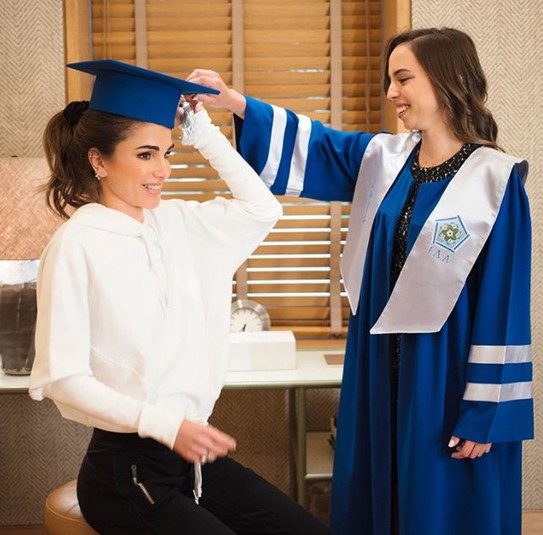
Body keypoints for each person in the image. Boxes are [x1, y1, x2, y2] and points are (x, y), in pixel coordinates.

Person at [187, 27, 534, 535]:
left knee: (441, 502)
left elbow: (503, 306)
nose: (392, 92)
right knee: (379, 493)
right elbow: (317, 146)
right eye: (389, 80)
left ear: (450, 79)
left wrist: (486, 411)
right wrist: (232, 102)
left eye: (403, 78)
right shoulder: (385, 160)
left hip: (445, 376)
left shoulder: (494, 180)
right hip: (377, 368)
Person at [29, 59, 331, 535]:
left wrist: (203, 131)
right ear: (99, 161)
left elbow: (262, 209)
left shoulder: (178, 224)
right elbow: (62, 379)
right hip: (126, 472)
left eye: (167, 153)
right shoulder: (76, 244)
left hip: (194, 461)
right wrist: (165, 425)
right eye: (146, 154)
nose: (163, 170)